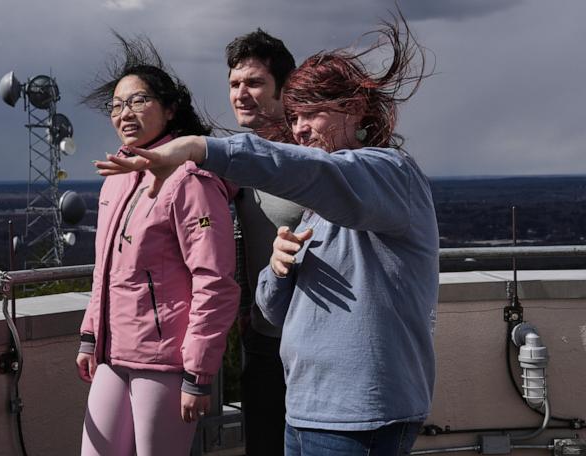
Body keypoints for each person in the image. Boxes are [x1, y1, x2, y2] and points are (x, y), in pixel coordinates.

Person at [96, 16, 438, 456]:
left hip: (359, 413)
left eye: (312, 113)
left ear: (355, 109)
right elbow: (274, 309)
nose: (300, 129)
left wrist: (199, 148)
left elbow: (315, 173)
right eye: (295, 117)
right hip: (305, 402)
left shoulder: (389, 174)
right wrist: (278, 270)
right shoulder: (316, 204)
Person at [77, 34, 239, 456]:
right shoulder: (116, 178)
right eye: (116, 105)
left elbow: (215, 281)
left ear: (170, 109)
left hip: (166, 361)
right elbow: (104, 270)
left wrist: (198, 373)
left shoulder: (190, 180)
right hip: (113, 353)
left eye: (138, 100)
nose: (124, 113)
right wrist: (91, 335)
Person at [225, 28, 303, 456]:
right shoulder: (238, 160)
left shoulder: (311, 158)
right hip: (261, 338)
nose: (241, 94)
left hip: (314, 342)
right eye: (235, 84)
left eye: (254, 82)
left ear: (283, 89)